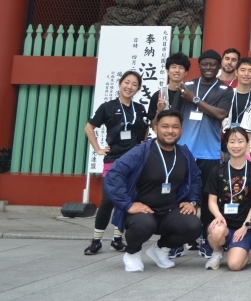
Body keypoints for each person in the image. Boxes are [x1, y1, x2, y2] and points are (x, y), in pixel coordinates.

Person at [105, 109, 203, 272]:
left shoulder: (184, 153)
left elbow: (196, 177)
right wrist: (127, 205)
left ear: (181, 130)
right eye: (165, 126)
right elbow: (114, 174)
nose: (170, 131)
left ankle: (160, 249)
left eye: (175, 127)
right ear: (155, 128)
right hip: (142, 212)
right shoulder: (142, 151)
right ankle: (132, 253)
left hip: (169, 211)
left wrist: (192, 201)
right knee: (143, 225)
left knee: (194, 225)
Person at [84, 70, 150, 255]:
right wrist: (98, 149)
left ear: (138, 88)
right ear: (120, 83)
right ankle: (96, 241)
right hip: (114, 161)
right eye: (127, 82)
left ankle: (117, 238)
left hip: (135, 162)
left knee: (127, 200)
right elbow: (89, 127)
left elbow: (144, 133)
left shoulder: (140, 109)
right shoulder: (108, 107)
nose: (130, 87)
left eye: (134, 84)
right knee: (107, 200)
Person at [177, 49, 234, 257]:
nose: (208, 67)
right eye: (205, 64)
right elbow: (175, 115)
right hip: (184, 151)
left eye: (213, 64)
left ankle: (206, 241)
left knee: (208, 200)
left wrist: (195, 100)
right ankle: (178, 241)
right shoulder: (186, 86)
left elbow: (220, 114)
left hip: (209, 153)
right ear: (199, 66)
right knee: (181, 197)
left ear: (219, 67)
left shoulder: (225, 90)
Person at [204, 126, 251, 271]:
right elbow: (211, 201)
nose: (236, 146)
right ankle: (217, 252)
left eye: (240, 141)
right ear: (226, 144)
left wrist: (245, 226)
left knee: (234, 265)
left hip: (244, 227)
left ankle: (245, 252)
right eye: (232, 141)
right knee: (216, 231)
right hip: (224, 224)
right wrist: (218, 216)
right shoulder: (218, 171)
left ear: (247, 144)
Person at [220, 57, 251, 156]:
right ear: (236, 72)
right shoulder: (226, 94)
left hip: (250, 146)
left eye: (250, 71)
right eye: (243, 70)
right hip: (227, 144)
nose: (246, 74)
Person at [147, 52, 190, 121]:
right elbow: (153, 125)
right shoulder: (158, 96)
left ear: (186, 73)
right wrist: (159, 111)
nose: (177, 70)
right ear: (167, 71)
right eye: (173, 67)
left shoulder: (189, 95)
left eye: (181, 67)